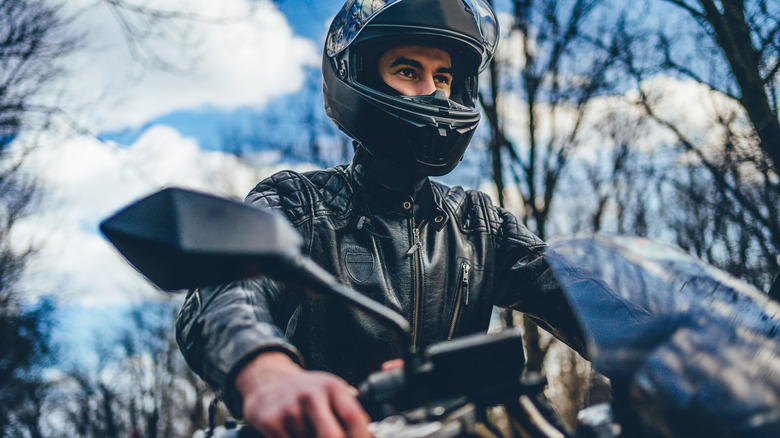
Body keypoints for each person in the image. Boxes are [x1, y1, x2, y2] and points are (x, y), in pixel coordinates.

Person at [175, 1, 630, 437]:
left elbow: (579, 297)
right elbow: (226, 289)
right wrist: (266, 369)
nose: (433, 90)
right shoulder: (301, 204)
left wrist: (673, 349)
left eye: (444, 76)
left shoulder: (477, 225)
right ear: (361, 77)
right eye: (409, 71)